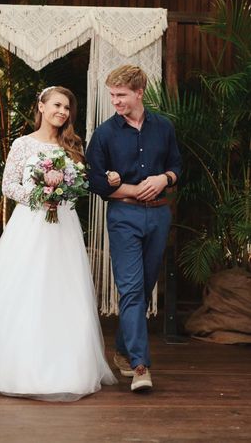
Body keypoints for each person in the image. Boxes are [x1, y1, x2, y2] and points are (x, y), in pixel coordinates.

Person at [0, 86, 117, 401]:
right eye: (57, 105)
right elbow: (9, 185)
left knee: (62, 290)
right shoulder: (23, 144)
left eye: (67, 108)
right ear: (42, 106)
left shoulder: (73, 145)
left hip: (64, 227)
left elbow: (81, 184)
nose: (62, 112)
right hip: (31, 224)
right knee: (24, 287)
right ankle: (13, 365)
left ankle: (64, 367)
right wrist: (40, 197)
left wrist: (69, 192)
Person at [86, 65, 181, 392]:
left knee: (143, 288)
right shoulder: (104, 134)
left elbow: (177, 166)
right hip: (123, 217)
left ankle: (124, 351)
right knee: (130, 289)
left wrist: (163, 179)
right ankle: (141, 366)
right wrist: (130, 189)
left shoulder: (164, 127)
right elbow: (94, 181)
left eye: (121, 95)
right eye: (112, 95)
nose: (115, 101)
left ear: (139, 93)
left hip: (159, 217)